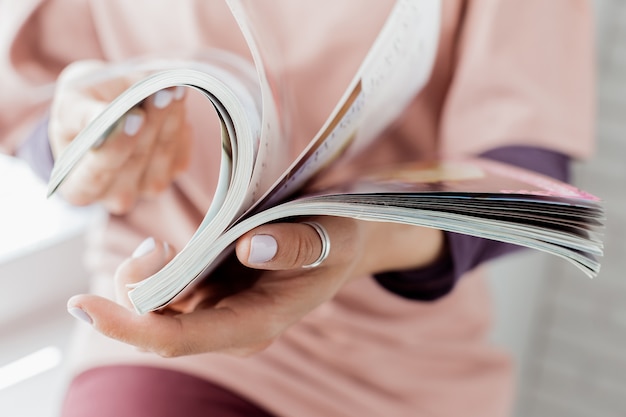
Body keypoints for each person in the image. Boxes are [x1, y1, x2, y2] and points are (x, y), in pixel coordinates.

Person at [0, 0, 594, 416]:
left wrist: (360, 238)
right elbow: (35, 105)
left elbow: (528, 184)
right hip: (168, 321)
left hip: (399, 366)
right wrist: (88, 140)